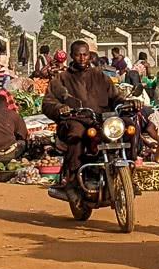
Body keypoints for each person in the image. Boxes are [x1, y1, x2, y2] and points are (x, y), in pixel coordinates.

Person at [44, 40, 119, 194]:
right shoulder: (61, 79)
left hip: (100, 120)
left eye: (85, 55)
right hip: (75, 120)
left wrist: (128, 102)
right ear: (72, 56)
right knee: (77, 133)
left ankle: (130, 173)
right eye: (78, 55)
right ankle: (72, 179)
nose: (82, 58)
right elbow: (47, 102)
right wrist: (60, 108)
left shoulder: (100, 76)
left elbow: (116, 96)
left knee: (128, 127)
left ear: (90, 56)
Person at [0, 88, 26, 164]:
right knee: (23, 143)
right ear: (7, 104)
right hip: (11, 152)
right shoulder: (14, 115)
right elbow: (23, 135)